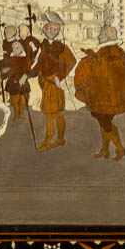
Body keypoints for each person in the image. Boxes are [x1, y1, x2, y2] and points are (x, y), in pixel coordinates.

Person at [74, 23, 125, 160]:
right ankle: (105, 150)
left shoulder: (106, 53)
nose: (99, 35)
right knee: (103, 123)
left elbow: (98, 68)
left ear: (106, 36)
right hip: (113, 97)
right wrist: (92, 55)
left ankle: (120, 149)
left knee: (106, 124)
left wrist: (90, 57)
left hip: (105, 98)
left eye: (101, 33)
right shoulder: (118, 52)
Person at [31, 11, 75, 152]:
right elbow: (38, 63)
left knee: (52, 113)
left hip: (55, 83)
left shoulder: (61, 46)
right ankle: (60, 139)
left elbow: (72, 61)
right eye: (51, 28)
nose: (53, 31)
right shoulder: (42, 46)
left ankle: (48, 142)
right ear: (45, 29)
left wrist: (60, 76)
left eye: (56, 29)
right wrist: (27, 75)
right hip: (45, 83)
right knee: (55, 113)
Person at [0, 23, 38, 122]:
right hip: (13, 82)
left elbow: (28, 69)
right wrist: (6, 72)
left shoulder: (25, 58)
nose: (15, 50)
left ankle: (21, 112)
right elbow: (7, 67)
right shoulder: (11, 58)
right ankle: (17, 114)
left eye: (18, 48)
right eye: (14, 49)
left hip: (23, 80)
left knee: (24, 99)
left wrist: (25, 76)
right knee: (15, 99)